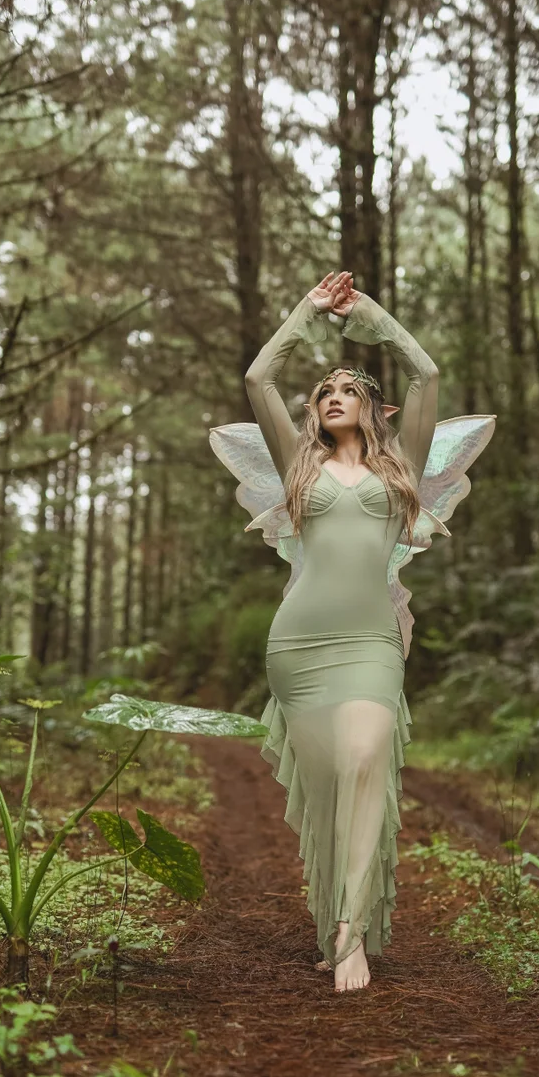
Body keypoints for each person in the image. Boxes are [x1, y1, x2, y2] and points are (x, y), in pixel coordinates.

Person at [210, 271, 494, 993]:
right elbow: (257, 378)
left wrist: (372, 316)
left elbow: (427, 372)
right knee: (331, 788)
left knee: (366, 758)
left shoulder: (400, 468)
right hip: (297, 646)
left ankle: (350, 931)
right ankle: (333, 923)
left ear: (373, 407)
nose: (333, 396)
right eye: (324, 392)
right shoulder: (297, 466)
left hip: (371, 641)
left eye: (347, 389)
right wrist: (306, 311)